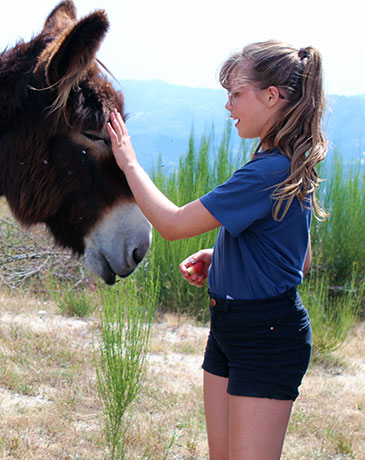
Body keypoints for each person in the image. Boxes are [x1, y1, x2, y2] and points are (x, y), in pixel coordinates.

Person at [106, 40, 327, 460]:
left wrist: (128, 162)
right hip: (234, 327)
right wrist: (224, 257)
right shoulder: (284, 161)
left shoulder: (269, 170)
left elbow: (171, 225)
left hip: (267, 336)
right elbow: (300, 258)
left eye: (234, 93)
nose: (228, 106)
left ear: (271, 96)